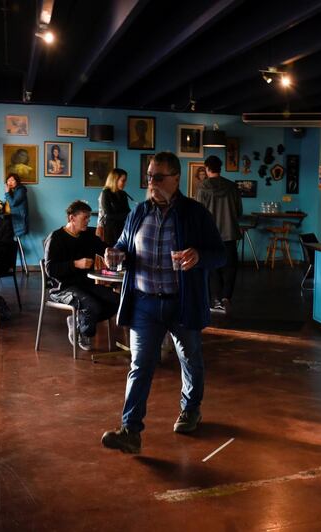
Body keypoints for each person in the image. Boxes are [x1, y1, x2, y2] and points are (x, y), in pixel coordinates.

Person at [101, 151, 225, 454]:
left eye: (158, 177)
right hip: (144, 303)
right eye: (149, 177)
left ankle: (190, 409)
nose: (151, 182)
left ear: (175, 178)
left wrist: (198, 256)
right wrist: (114, 254)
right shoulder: (138, 212)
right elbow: (122, 246)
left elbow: (220, 254)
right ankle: (130, 431)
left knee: (190, 359)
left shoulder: (195, 214)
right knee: (140, 365)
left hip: (181, 303)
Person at [44, 200, 118, 352]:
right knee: (92, 306)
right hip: (62, 288)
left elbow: (104, 247)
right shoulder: (56, 238)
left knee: (116, 301)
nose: (87, 221)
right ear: (72, 218)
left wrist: (109, 251)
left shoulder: (87, 235)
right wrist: (75, 264)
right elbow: (50, 270)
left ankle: (79, 321)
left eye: (89, 218)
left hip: (85, 284)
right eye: (85, 218)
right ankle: (84, 332)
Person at [196, 155, 242, 313]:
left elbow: (199, 213)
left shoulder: (203, 187)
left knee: (213, 268)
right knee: (230, 267)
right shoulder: (232, 187)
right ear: (220, 168)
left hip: (210, 234)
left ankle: (216, 300)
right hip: (230, 233)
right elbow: (238, 211)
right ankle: (226, 298)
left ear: (207, 169)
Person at [96, 168, 132, 247]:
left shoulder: (123, 194)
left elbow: (127, 210)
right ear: (115, 180)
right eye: (123, 180)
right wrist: (127, 215)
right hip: (111, 230)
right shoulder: (105, 193)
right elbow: (108, 215)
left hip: (122, 228)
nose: (125, 183)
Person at [4, 173, 29, 238]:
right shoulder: (12, 191)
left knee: (14, 238)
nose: (10, 182)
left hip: (19, 219)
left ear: (17, 181)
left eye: (12, 180)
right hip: (12, 217)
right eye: (8, 180)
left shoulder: (21, 190)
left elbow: (13, 203)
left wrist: (7, 192)